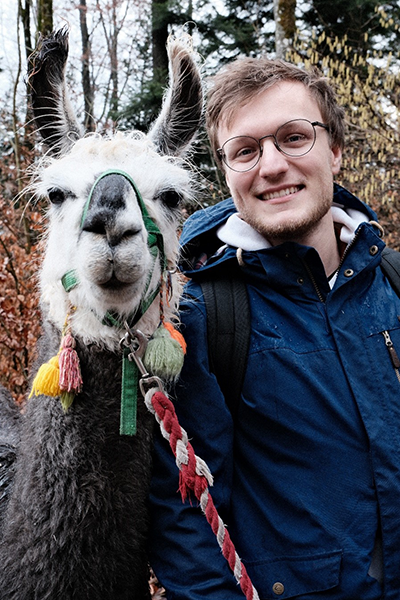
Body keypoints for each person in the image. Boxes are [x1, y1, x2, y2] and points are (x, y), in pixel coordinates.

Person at [148, 56, 400, 599]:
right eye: (246, 150)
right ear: (226, 172)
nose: (272, 165)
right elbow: (187, 516)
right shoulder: (198, 313)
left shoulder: (394, 284)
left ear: (334, 148)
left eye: (293, 138)